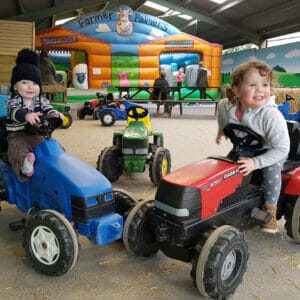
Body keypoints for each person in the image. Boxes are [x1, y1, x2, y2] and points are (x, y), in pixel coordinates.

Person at [216, 60, 290, 233]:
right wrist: (221, 130)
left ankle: (270, 210)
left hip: (272, 150)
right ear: (237, 91)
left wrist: (255, 163)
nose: (260, 90)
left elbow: (282, 149)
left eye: (265, 84)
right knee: (228, 165)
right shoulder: (228, 106)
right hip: (245, 146)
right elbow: (221, 110)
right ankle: (228, 200)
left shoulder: (271, 115)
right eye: (252, 85)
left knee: (271, 171)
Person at [7, 48, 64, 181]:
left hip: (36, 135)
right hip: (18, 135)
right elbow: (13, 111)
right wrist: (26, 115)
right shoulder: (13, 99)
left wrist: (55, 113)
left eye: (34, 83)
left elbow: (48, 108)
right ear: (15, 86)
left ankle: (59, 163)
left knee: (51, 146)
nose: (30, 87)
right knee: (16, 149)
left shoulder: (41, 100)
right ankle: (24, 166)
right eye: (24, 82)